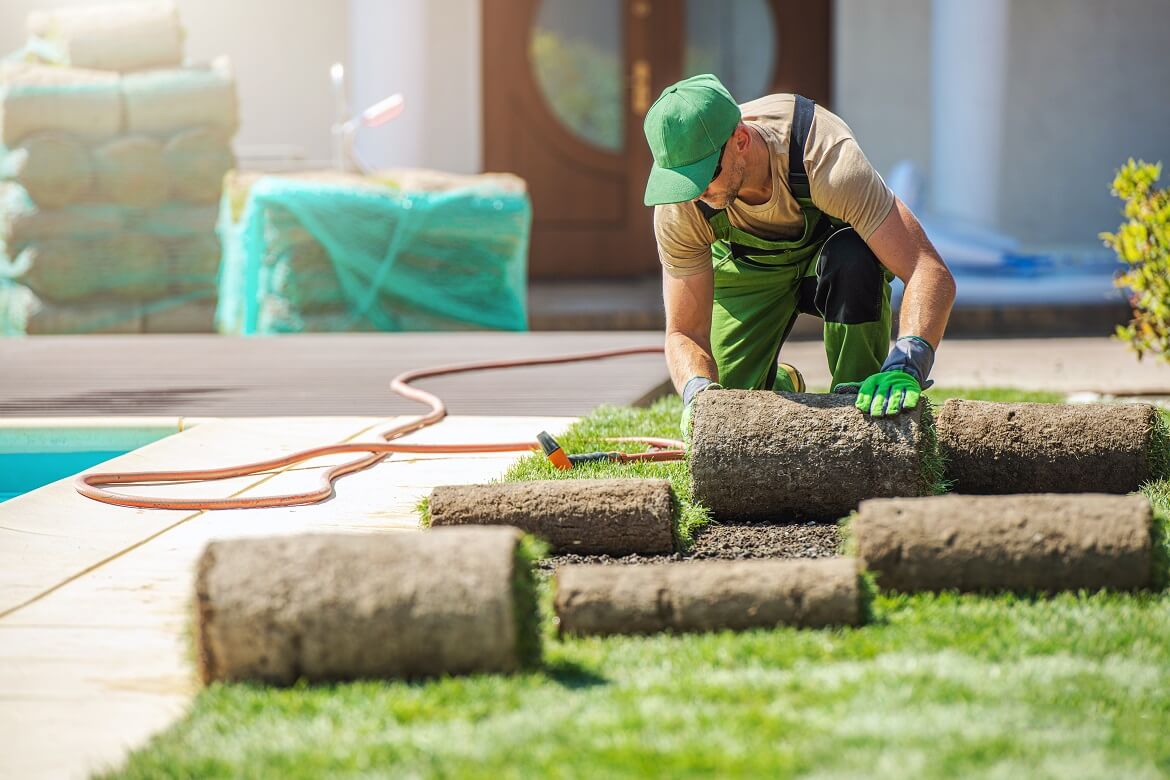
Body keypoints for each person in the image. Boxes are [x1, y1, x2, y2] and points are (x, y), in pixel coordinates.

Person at [643, 74, 955, 432]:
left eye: (704, 176)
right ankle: (779, 384)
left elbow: (926, 269)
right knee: (728, 411)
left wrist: (908, 361)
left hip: (828, 261)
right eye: (683, 181)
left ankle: (856, 400)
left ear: (741, 140)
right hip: (747, 270)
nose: (695, 193)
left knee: (854, 255)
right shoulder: (680, 206)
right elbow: (683, 332)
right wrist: (697, 393)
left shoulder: (825, 157)